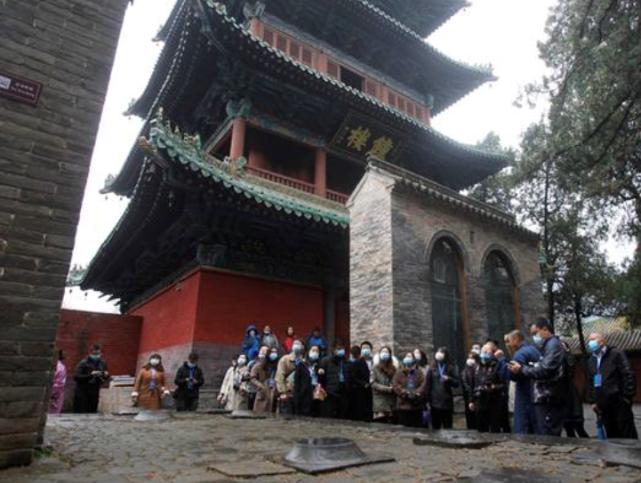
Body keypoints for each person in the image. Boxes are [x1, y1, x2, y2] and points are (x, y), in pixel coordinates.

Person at [509, 318, 566, 436]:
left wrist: (521, 369)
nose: (535, 337)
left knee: (548, 433)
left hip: (549, 395)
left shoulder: (553, 345)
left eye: (536, 333)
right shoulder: (545, 347)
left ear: (545, 329)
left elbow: (545, 369)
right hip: (545, 396)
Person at [586, 332, 638, 439]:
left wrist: (627, 398)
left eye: (593, 339)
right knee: (611, 435)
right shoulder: (591, 360)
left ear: (602, 341)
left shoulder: (616, 354)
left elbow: (628, 374)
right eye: (589, 340)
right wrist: (593, 401)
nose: (590, 342)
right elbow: (591, 381)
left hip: (619, 401)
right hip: (603, 404)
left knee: (627, 434)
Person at [497, 330, 540, 434]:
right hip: (536, 392)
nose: (507, 345)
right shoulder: (533, 350)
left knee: (524, 429)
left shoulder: (520, 354)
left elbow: (512, 375)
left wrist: (501, 360)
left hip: (525, 394)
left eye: (509, 341)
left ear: (516, 339)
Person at [472, 343, 508, 433]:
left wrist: (494, 387)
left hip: (494, 402)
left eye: (486, 351)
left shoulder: (498, 365)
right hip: (480, 402)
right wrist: (472, 400)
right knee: (481, 430)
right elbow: (474, 384)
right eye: (483, 351)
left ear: (492, 353)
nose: (484, 353)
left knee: (494, 429)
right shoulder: (478, 366)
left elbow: (504, 384)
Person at [424, 347, 459, 429]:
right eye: (438, 352)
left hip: (446, 402)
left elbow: (456, 383)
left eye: (441, 352)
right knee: (436, 427)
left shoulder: (451, 367)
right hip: (434, 402)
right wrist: (427, 399)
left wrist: (449, 379)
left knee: (448, 426)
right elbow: (428, 384)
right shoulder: (432, 368)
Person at [560, 340, 589, 437]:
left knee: (579, 428)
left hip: (571, 397)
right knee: (568, 429)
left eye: (562, 346)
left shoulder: (570, 357)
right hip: (563, 398)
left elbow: (571, 369)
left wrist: (566, 353)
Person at [73, 343, 109, 413]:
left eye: (98, 353)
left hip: (95, 391)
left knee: (92, 411)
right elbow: (76, 377)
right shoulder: (83, 363)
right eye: (94, 353)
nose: (96, 356)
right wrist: (91, 375)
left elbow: (105, 377)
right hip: (83, 391)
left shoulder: (102, 363)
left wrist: (105, 375)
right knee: (81, 411)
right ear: (90, 353)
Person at [392, 352, 425, 427]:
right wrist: (405, 393)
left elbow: (423, 385)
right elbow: (395, 385)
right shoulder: (399, 372)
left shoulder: (419, 372)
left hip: (416, 406)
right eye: (407, 356)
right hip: (403, 406)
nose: (408, 358)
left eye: (410, 356)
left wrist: (416, 393)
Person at [319, 341, 349, 419]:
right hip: (330, 392)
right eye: (339, 348)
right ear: (334, 350)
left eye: (342, 348)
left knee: (342, 416)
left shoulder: (345, 362)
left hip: (343, 392)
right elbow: (321, 377)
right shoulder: (326, 361)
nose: (341, 350)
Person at [276, 339, 304, 415]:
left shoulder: (303, 361)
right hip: (287, 393)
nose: (297, 346)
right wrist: (283, 392)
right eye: (295, 344)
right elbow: (280, 376)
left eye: (299, 344)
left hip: (298, 394)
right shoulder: (285, 359)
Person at [293, 345, 322, 416]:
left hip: (316, 394)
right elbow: (297, 383)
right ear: (308, 352)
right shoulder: (301, 365)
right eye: (313, 350)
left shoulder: (320, 365)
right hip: (304, 395)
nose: (315, 353)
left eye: (317, 351)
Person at [372, 346, 397, 423]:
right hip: (380, 401)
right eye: (383, 352)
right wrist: (386, 388)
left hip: (391, 401)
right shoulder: (375, 368)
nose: (385, 353)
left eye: (386, 352)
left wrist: (393, 386)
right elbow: (373, 383)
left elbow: (396, 381)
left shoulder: (393, 368)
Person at [251, 346, 279, 415]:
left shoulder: (278, 366)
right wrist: (260, 386)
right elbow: (253, 378)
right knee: (260, 414)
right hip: (263, 391)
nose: (274, 354)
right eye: (272, 352)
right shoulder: (259, 365)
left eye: (275, 352)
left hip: (273, 392)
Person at [347, 345, 372, 422]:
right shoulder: (360, 362)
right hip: (360, 389)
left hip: (360, 390)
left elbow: (352, 377)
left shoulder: (357, 363)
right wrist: (364, 383)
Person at [461, 351, 478, 430]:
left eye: (472, 358)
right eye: (469, 358)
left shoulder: (478, 369)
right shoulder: (465, 370)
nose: (470, 360)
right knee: (470, 416)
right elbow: (465, 383)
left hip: (477, 396)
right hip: (468, 396)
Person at [49, 349, 67, 414]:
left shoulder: (59, 366)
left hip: (54, 395)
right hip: (56, 394)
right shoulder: (60, 366)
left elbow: (59, 383)